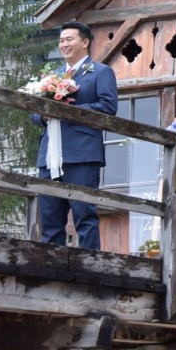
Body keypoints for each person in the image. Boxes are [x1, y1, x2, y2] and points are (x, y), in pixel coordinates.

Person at [33, 20, 118, 249]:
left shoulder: (100, 72)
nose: (64, 44)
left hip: (82, 153)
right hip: (49, 154)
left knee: (85, 216)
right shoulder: (51, 77)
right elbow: (35, 114)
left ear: (85, 42)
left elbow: (108, 107)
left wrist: (69, 111)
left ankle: (90, 266)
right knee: (49, 219)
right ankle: (51, 267)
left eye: (69, 39)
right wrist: (42, 115)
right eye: (61, 40)